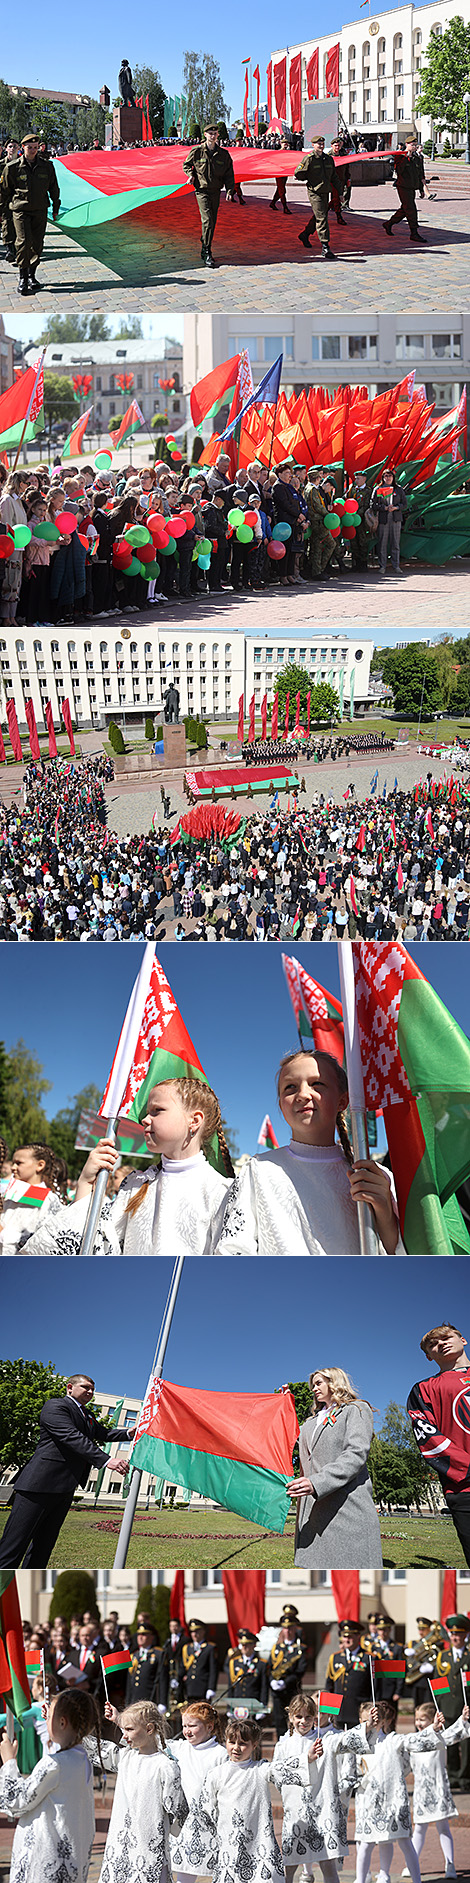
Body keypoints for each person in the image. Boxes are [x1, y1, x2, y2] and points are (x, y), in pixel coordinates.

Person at [217, 1050, 402, 1256]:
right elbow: (233, 1248)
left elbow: (402, 1253)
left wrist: (385, 1213)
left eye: (317, 1084)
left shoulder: (373, 1176)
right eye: (290, 1087)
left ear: (343, 1101)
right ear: (281, 1105)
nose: (303, 1095)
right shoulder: (258, 1170)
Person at [22, 1078, 234, 1259]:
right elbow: (96, 1242)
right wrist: (87, 1182)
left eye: (156, 1111)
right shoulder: (135, 1185)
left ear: (194, 1121)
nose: (144, 1119)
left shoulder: (223, 1191)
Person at [0, 1373, 129, 1568]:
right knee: (13, 1546)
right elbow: (71, 1436)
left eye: (92, 1389)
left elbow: (104, 1433)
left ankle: (28, 1589)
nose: (91, 1392)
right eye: (86, 1387)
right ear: (70, 1387)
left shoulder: (88, 1415)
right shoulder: (56, 1406)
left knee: (43, 1548)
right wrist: (106, 1460)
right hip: (38, 1486)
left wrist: (130, 1432)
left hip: (65, 1489)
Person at [0, 1687, 101, 1883]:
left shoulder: (54, 1764)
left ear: (62, 1722)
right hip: (68, 1863)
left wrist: (9, 1762)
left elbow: (17, 1801)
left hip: (45, 1862)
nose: (45, 1721)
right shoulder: (82, 1759)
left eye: (48, 1717)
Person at [288, 1365, 382, 1568]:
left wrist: (316, 1483)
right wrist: (281, 1405)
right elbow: (289, 1438)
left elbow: (355, 1455)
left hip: (346, 1507)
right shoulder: (310, 1422)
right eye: (313, 1385)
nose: (314, 1388)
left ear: (334, 1382)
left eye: (319, 1383)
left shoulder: (356, 1409)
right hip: (313, 1511)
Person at [84, 1697, 187, 1883]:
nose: (124, 1736)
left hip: (149, 1847)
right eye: (123, 1730)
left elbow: (179, 1809)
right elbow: (95, 1748)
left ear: (149, 1729)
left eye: (129, 1730)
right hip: (120, 1843)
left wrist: (164, 1827)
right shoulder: (125, 1758)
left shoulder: (165, 1766)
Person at [407, 1323, 470, 1566]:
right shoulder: (423, 1389)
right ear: (428, 1355)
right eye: (433, 1343)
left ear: (463, 1340)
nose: (441, 1343)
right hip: (463, 1487)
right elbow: (428, 1436)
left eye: (447, 1337)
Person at [271, 1690, 347, 1883]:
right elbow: (277, 1775)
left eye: (308, 1716)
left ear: (315, 1717)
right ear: (290, 1716)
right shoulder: (283, 1745)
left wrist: (369, 1724)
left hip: (322, 1812)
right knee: (289, 1865)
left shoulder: (326, 1740)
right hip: (295, 1812)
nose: (303, 1721)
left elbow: (348, 1740)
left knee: (327, 1864)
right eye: (298, 1716)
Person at [199, 1717, 284, 1883]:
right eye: (232, 1742)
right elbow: (206, 1808)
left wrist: (308, 1758)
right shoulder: (216, 1774)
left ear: (254, 1745)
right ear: (225, 1742)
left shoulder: (261, 1769)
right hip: (228, 1841)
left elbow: (283, 1769)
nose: (236, 1748)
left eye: (243, 1743)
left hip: (259, 1840)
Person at [407, 1697, 470, 1875]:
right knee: (419, 1829)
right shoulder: (413, 1739)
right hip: (421, 1792)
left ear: (433, 1719)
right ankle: (412, 1864)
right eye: (417, 1719)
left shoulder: (440, 1737)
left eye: (422, 1719)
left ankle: (450, 1864)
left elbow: (455, 1732)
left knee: (443, 1828)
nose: (419, 1723)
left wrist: (463, 1718)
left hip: (438, 1789)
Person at [169, 1700, 228, 1879]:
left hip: (210, 1822)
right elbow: (151, 1739)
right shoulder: (179, 1747)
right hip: (183, 1822)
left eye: (192, 1726)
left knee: (218, 1868)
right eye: (184, 1725)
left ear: (209, 1726)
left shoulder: (220, 1754)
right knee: (183, 1872)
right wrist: (119, 1720)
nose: (187, 1730)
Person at [0, 132, 60, 294]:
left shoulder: (47, 166)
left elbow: (53, 188)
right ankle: (23, 277)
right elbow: (4, 192)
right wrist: (1, 212)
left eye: (35, 147)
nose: (33, 150)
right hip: (20, 210)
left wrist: (56, 207)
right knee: (23, 243)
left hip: (40, 210)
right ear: (23, 148)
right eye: (29, 147)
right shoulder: (12, 168)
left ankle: (32, 276)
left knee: (37, 244)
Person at [0, 1140, 68, 1255]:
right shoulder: (8, 1196)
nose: (13, 1167)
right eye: (13, 1163)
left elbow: (39, 1242)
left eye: (19, 1163)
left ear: (40, 1165)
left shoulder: (49, 1200)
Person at [183, 126, 236, 268]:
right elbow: (186, 165)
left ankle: (204, 240)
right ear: (205, 135)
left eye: (215, 133)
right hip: (202, 191)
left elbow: (229, 173)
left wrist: (230, 190)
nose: (213, 136)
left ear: (218, 135)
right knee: (207, 220)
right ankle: (207, 251)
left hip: (216, 191)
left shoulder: (223, 154)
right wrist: (191, 175)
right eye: (210, 134)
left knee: (212, 221)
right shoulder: (197, 151)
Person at [266, 1612, 307, 1738]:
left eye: (290, 1627)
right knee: (279, 1721)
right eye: (285, 1627)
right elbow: (268, 1668)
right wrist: (272, 1680)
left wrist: (285, 1682)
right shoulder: (276, 1648)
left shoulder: (300, 1649)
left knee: (295, 1720)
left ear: (295, 1628)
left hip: (291, 1690)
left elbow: (300, 1671)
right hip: (277, 1693)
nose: (287, 1630)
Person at [295, 136, 336, 259]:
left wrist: (340, 193)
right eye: (318, 144)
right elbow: (298, 173)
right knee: (322, 218)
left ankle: (305, 234)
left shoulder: (328, 159)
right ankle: (325, 247)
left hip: (325, 191)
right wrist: (309, 179)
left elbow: (334, 177)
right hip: (315, 192)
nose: (321, 146)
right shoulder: (309, 159)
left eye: (322, 143)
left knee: (320, 216)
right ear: (313, 145)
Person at [325, 1621, 373, 1726]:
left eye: (350, 1636)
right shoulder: (335, 1657)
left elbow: (375, 1687)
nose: (347, 1640)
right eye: (344, 1636)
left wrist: (371, 1708)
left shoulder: (368, 1657)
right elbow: (329, 1686)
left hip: (359, 1710)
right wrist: (328, 1712)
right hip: (339, 1711)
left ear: (358, 1636)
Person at [384, 135, 427, 243]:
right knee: (411, 209)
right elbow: (399, 170)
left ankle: (389, 224)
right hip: (403, 186)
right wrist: (407, 158)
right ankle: (414, 233)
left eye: (415, 145)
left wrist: (421, 189)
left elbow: (420, 174)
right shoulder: (400, 156)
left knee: (405, 209)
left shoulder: (418, 158)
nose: (414, 147)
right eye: (412, 145)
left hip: (412, 186)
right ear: (407, 145)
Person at [371, 471, 408, 576]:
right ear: (382, 478)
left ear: (393, 477)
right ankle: (382, 566)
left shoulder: (398, 489)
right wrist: (384, 508)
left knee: (395, 543)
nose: (388, 478)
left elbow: (404, 504)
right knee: (382, 543)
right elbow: (373, 504)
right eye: (385, 476)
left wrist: (396, 507)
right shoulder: (378, 489)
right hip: (383, 519)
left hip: (395, 519)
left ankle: (396, 566)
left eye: (390, 476)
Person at [227, 1630, 268, 1712]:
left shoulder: (261, 1664)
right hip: (238, 1705)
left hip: (254, 1706)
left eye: (247, 1644)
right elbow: (231, 1686)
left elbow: (264, 1687)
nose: (244, 1647)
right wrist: (229, 1708)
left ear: (254, 1645)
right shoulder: (234, 1662)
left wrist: (263, 1707)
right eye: (242, 1645)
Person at [182, 1620, 218, 1701]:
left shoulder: (210, 1648)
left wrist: (211, 1687)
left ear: (203, 1631)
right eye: (192, 1632)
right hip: (189, 1688)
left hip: (203, 1687)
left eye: (197, 1631)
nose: (194, 1634)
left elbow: (213, 1669)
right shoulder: (187, 1648)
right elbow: (183, 1667)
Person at [125, 1624, 161, 1706]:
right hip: (134, 1700)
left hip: (150, 1699)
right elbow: (129, 1683)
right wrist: (128, 1701)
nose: (140, 1637)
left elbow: (162, 1679)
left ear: (151, 1637)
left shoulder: (158, 1654)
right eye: (139, 1634)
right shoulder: (134, 1656)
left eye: (144, 1634)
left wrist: (162, 1702)